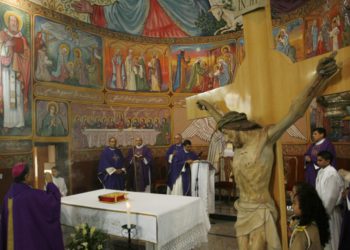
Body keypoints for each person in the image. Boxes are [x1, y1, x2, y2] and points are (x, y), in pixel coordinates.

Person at [196, 52, 340, 249]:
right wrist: (207, 105)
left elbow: (295, 111)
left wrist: (319, 77)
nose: (226, 138)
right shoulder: (237, 142)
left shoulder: (264, 138)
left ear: (238, 128)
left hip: (260, 208)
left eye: (228, 134)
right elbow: (221, 120)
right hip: (243, 209)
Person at [0, 162, 64, 250]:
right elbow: (53, 201)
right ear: (26, 177)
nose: (33, 175)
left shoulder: (7, 197)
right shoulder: (31, 195)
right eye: (31, 174)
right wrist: (50, 183)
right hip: (29, 243)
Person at [0, 11, 30, 130]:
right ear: (8, 22)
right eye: (11, 20)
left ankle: (19, 122)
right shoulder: (2, 34)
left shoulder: (22, 39)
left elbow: (27, 54)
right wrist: (6, 45)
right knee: (7, 95)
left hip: (18, 72)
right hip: (6, 70)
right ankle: (8, 123)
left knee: (18, 94)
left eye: (15, 21)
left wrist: (21, 51)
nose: (14, 23)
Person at [315, 151, 344, 250]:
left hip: (330, 212)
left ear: (328, 161)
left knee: (332, 239)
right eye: (317, 160)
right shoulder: (320, 171)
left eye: (320, 160)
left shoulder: (332, 174)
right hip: (322, 210)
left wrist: (324, 212)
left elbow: (331, 197)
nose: (317, 162)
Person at [289, 182, 330, 250]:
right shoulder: (315, 225)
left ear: (304, 206)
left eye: (295, 203)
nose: (292, 206)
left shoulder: (302, 233)